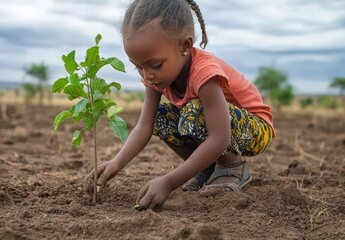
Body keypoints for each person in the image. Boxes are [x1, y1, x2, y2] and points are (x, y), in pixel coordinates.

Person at [87, 0, 275, 210]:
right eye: (138, 67)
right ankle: (209, 168)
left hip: (255, 129)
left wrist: (169, 182)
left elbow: (220, 137)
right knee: (161, 116)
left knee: (194, 112)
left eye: (155, 65)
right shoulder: (155, 78)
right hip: (220, 129)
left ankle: (231, 167)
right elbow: (144, 127)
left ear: (185, 46)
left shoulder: (204, 73)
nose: (147, 75)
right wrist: (117, 162)